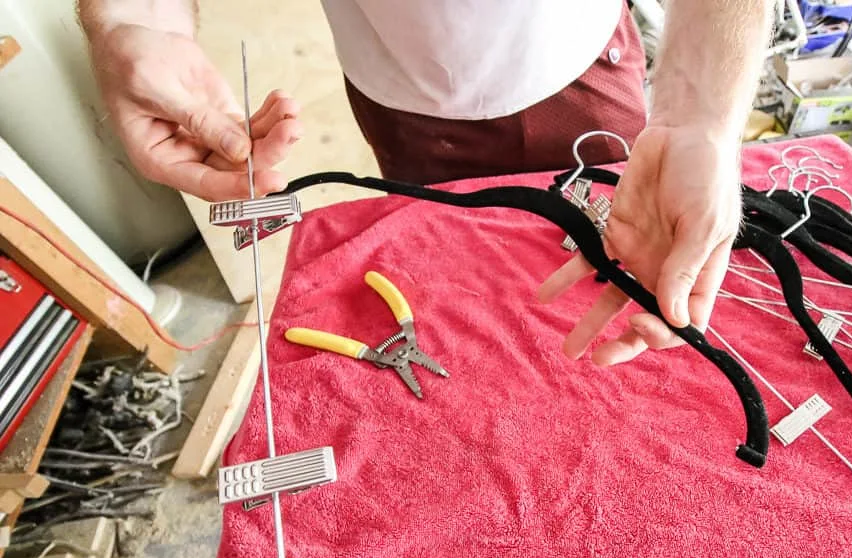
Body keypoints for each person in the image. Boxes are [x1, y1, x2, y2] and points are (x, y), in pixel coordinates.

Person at [77, 0, 773, 367]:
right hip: (402, 96)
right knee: (457, 295)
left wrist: (702, 116)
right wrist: (134, 21)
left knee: (620, 288)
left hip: (576, 64)